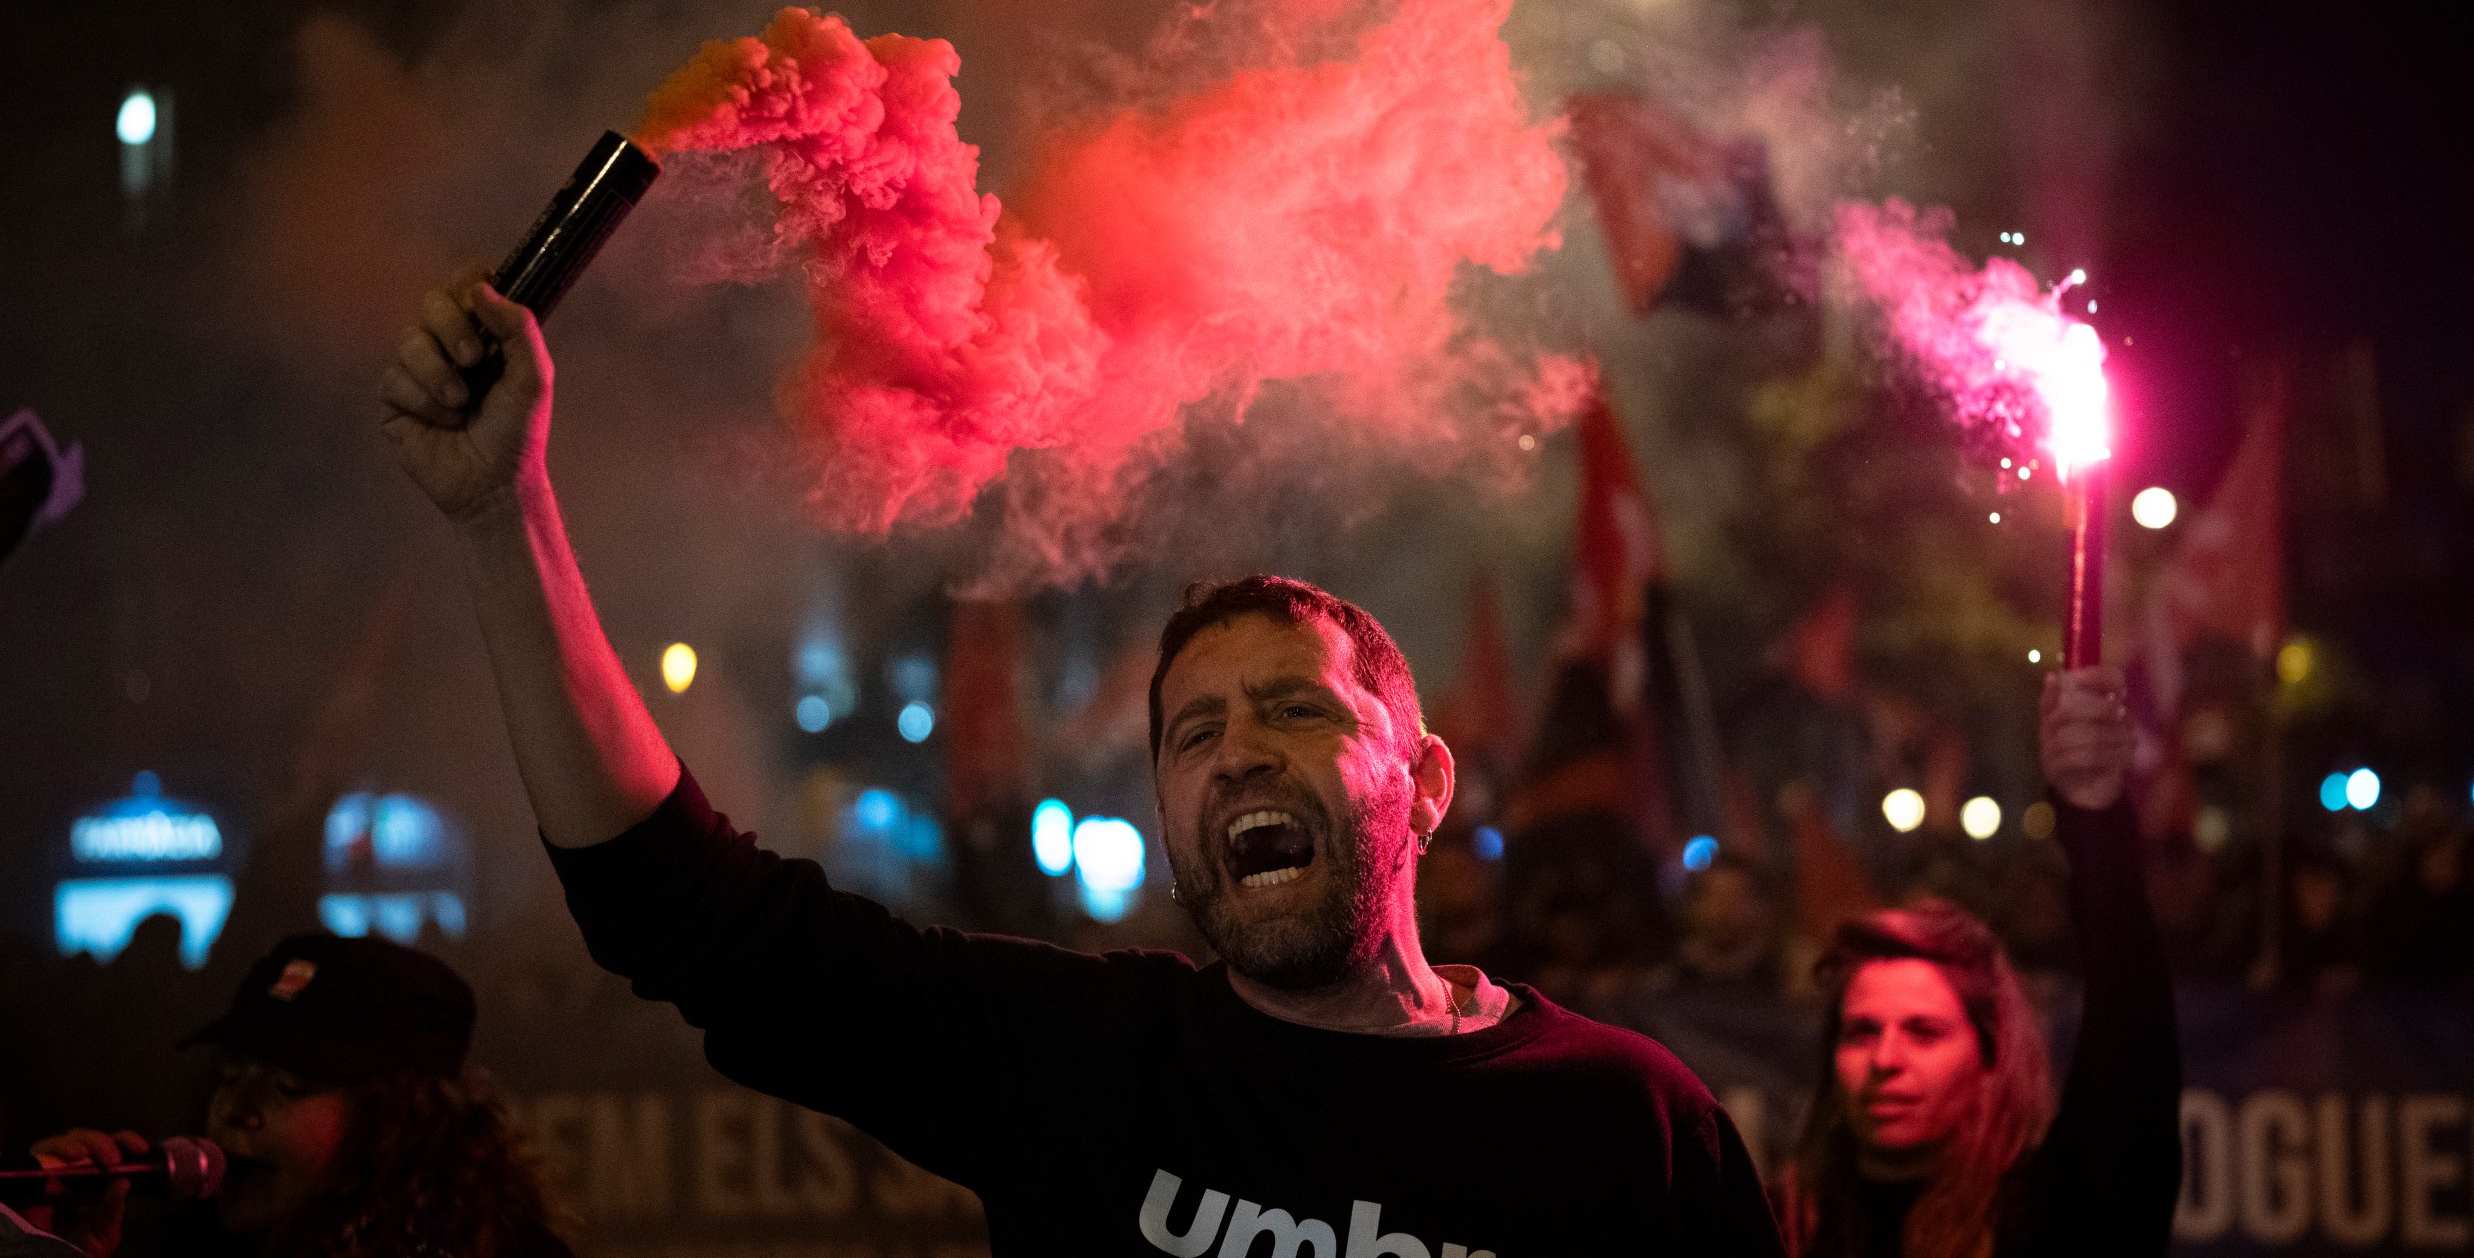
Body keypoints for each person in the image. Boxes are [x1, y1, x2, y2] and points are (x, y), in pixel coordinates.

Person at [378, 275, 1788, 1253]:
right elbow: (681, 913)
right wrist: (505, 518)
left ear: (1422, 782)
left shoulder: (1627, 1123)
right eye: (1193, 733)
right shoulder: (1085, 1063)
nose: (1236, 755)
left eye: (1293, 712)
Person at [1772, 671, 2181, 1258]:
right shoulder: (1773, 1228)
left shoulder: (2062, 1217)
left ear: (1990, 1055)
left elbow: (2133, 1040)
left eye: (1924, 1031)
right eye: (1861, 1032)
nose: (1885, 1061)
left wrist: (2094, 820)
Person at [24, 933, 569, 1258]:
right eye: (232, 1075)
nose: (238, 1110)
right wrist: (51, 1247)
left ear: (401, 1125)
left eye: (291, 1085)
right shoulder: (186, 1245)